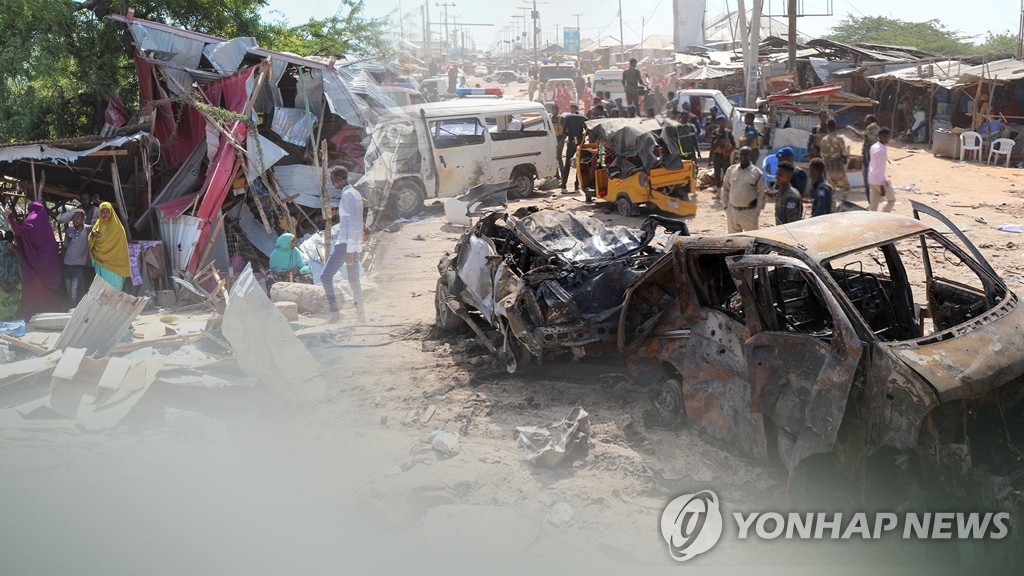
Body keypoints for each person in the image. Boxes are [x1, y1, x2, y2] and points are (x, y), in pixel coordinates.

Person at [322, 167, 366, 323]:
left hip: (345, 245)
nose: (332, 182)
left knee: (325, 277)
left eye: (333, 179)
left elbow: (350, 224)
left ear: (339, 178)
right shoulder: (355, 193)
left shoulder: (347, 195)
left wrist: (348, 250)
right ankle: (361, 315)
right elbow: (358, 221)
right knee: (354, 280)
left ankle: (335, 314)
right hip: (354, 243)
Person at [7, 201, 62, 317]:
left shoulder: (32, 220)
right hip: (48, 270)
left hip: (34, 268)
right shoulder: (47, 230)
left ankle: (31, 314)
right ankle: (50, 313)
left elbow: (19, 232)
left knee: (33, 291)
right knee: (48, 294)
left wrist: (10, 217)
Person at [721, 147, 768, 233]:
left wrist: (756, 213)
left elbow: (762, 194)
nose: (743, 157)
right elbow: (725, 189)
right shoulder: (731, 170)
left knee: (751, 241)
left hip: (749, 214)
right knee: (733, 242)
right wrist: (726, 207)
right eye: (741, 154)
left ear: (751, 156)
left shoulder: (757, 173)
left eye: (746, 154)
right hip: (732, 212)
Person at [88, 202, 130, 290]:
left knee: (114, 291)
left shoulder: (119, 228)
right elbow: (90, 240)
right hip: (101, 264)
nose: (105, 214)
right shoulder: (97, 226)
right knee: (102, 291)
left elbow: (122, 247)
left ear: (111, 213)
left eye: (107, 211)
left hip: (115, 265)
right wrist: (93, 235)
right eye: (102, 212)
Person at [56, 207, 91, 305]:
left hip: (78, 266)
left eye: (78, 217)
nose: (75, 219)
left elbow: (100, 226)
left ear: (83, 219)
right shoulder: (69, 231)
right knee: (69, 289)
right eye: (74, 217)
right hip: (67, 264)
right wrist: (61, 262)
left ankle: (73, 310)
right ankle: (73, 308)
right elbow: (65, 247)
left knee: (74, 290)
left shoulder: (88, 229)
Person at [851, 114, 880, 198]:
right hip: (867, 156)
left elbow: (864, 136)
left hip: (871, 158)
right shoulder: (871, 129)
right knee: (867, 179)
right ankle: (870, 201)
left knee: (869, 180)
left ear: (871, 121)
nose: (864, 121)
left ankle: (872, 200)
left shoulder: (874, 129)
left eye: (866, 120)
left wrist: (852, 129)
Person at [820, 119, 850, 201]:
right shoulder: (840, 139)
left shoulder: (824, 140)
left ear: (827, 127)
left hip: (829, 169)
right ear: (835, 126)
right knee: (845, 187)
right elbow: (844, 153)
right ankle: (844, 204)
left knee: (831, 190)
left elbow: (822, 155)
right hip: (839, 168)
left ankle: (832, 208)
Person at [561, 104, 588, 192]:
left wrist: (569, 135)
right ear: (578, 109)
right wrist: (582, 137)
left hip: (571, 142)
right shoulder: (583, 118)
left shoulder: (567, 117)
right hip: (579, 143)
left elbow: (564, 131)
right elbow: (588, 130)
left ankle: (563, 186)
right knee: (578, 164)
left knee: (567, 164)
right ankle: (577, 186)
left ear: (572, 109)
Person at [868, 128, 896, 212]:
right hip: (879, 180)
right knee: (891, 200)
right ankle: (884, 215)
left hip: (871, 178)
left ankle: (871, 221)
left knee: (873, 206)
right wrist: (882, 186)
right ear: (883, 136)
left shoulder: (874, 146)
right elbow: (881, 169)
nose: (889, 138)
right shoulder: (881, 151)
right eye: (888, 136)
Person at [709, 115, 735, 193]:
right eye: (722, 122)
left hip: (726, 156)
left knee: (727, 173)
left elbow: (734, 145)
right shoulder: (715, 132)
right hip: (717, 156)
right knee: (717, 174)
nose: (724, 123)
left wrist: (728, 153)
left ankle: (727, 190)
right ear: (718, 123)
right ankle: (718, 190)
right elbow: (712, 146)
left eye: (724, 122)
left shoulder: (728, 132)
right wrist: (717, 140)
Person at [0, 236, 21, 321]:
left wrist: (17, 254)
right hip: (2, 282)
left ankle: (12, 315)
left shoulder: (13, 254)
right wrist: (3, 284)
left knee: (16, 295)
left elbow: (15, 270)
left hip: (11, 282)